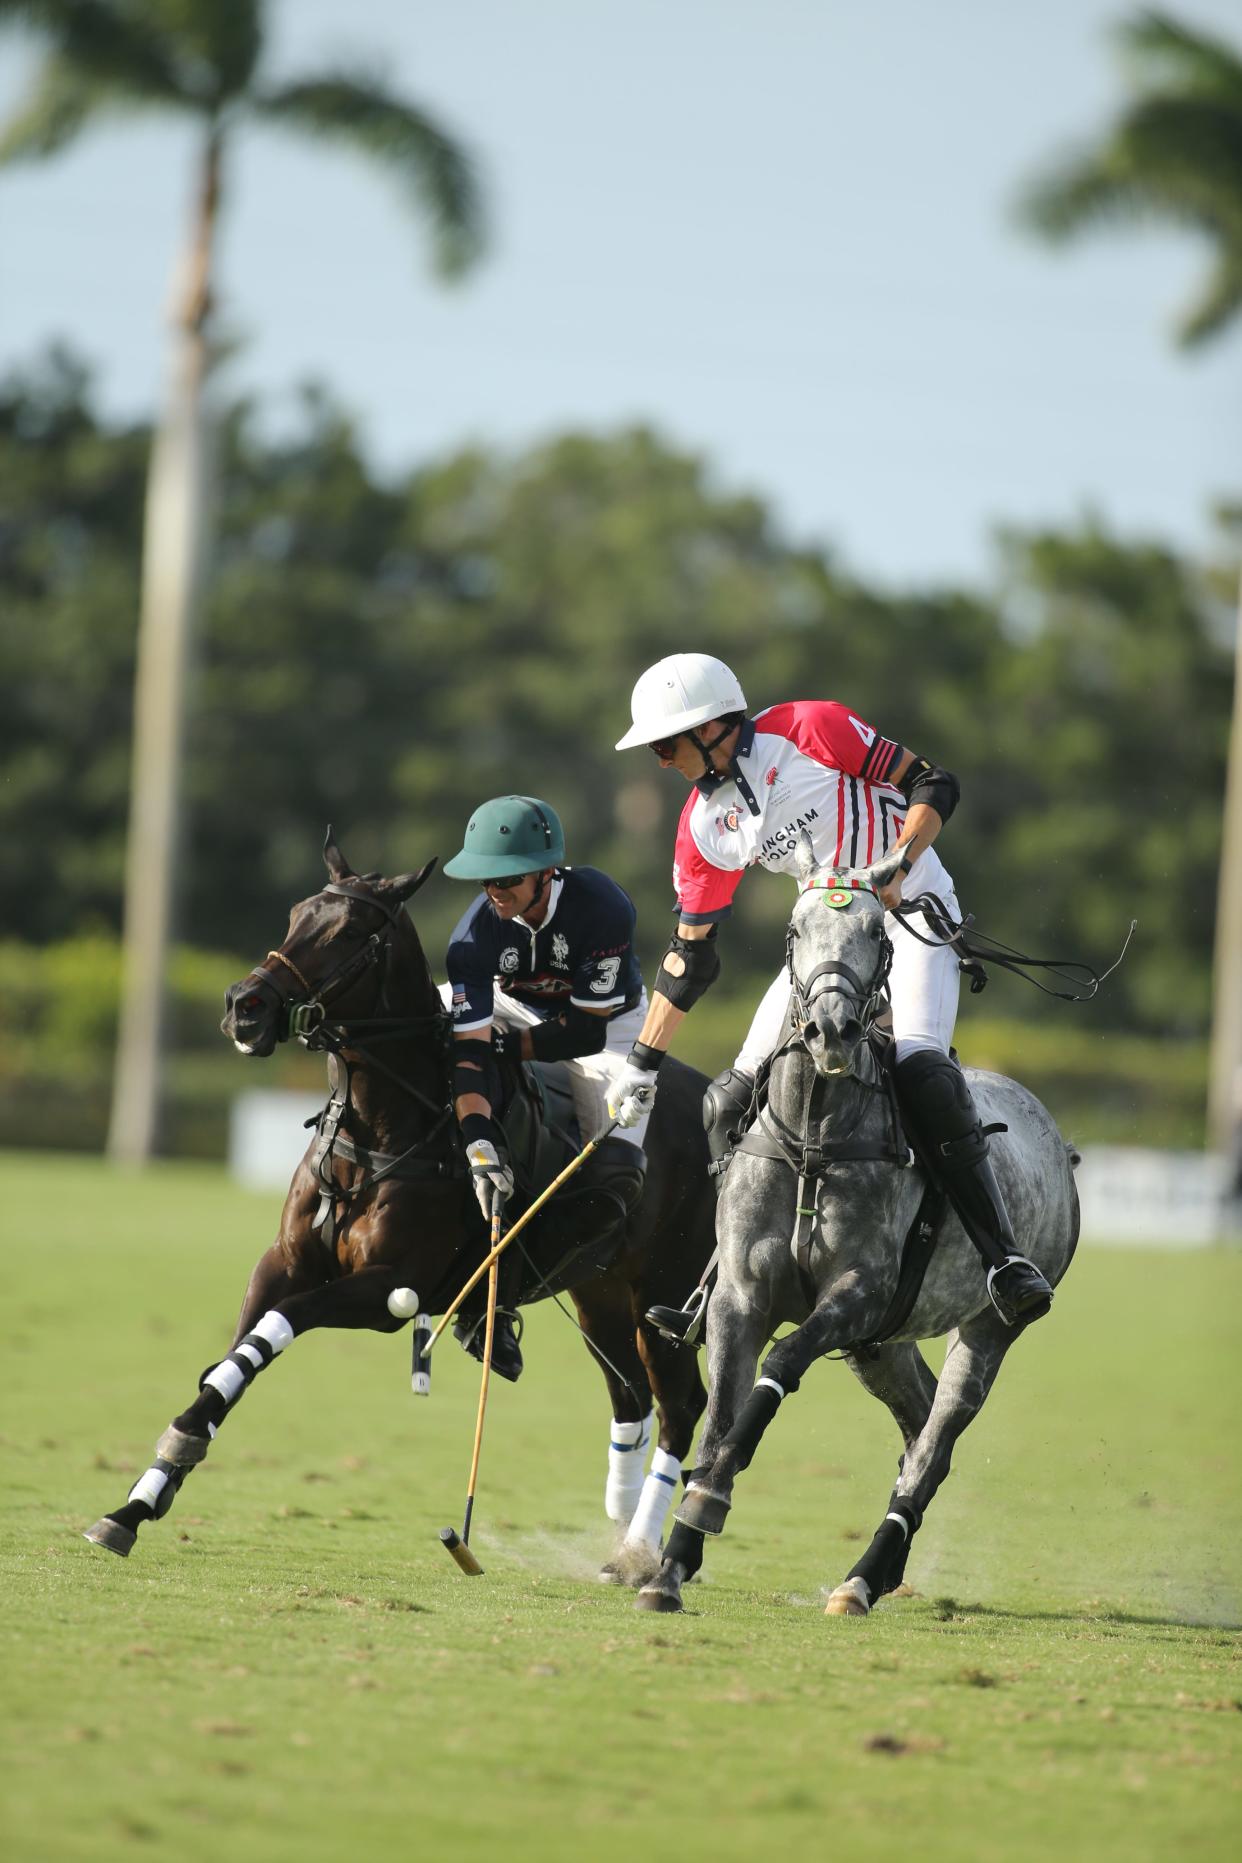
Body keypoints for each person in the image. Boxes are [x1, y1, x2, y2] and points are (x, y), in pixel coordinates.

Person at [606, 652, 1053, 1335]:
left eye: (666, 745)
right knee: (726, 1099)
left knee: (923, 1069)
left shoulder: (810, 727)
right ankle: (723, 1276)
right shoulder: (703, 828)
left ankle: (1003, 1259)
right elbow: (690, 960)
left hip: (908, 916)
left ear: (710, 729)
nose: (662, 762)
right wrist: (641, 1063)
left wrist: (899, 864)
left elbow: (935, 782)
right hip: (823, 947)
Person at [442, 794, 650, 1379]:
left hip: (608, 1029)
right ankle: (481, 1294)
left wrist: (505, 1049)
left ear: (545, 871)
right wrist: (479, 1138)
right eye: (485, 879)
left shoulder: (601, 906)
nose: (495, 891)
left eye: (507, 877)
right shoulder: (471, 939)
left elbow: (583, 1032)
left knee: (616, 1177)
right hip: (512, 1008)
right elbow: (469, 1052)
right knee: (437, 1029)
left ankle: (528, 1274)